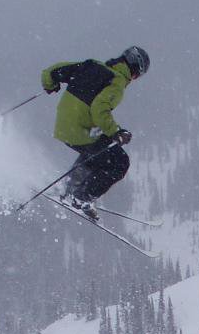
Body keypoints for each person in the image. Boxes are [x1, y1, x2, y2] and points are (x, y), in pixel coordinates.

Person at [41, 46, 150, 220]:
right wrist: (117, 132)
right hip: (80, 130)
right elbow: (99, 109)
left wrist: (50, 84)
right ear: (135, 71)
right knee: (119, 162)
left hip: (63, 126)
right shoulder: (117, 82)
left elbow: (54, 71)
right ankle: (81, 197)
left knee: (99, 148)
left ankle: (68, 188)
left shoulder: (91, 65)